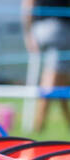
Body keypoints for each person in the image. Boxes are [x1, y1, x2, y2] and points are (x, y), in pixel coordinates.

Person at [24, 0, 70, 133]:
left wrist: (28, 34)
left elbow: (27, 5)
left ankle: (66, 122)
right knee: (53, 78)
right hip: (58, 29)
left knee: (60, 80)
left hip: (39, 29)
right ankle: (38, 125)